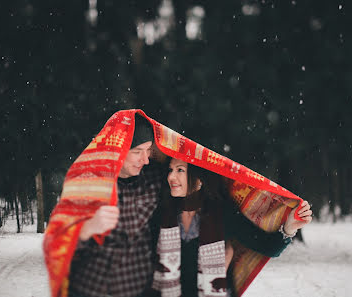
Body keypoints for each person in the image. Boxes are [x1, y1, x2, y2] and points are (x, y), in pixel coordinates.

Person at [152, 158, 313, 297]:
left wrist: (290, 226)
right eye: (170, 170)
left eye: (180, 170)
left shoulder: (222, 213)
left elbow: (268, 246)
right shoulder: (164, 213)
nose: (171, 176)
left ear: (200, 179)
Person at [68, 114, 164, 297]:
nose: (145, 160)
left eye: (148, 150)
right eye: (137, 152)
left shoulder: (155, 178)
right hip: (92, 288)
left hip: (140, 287)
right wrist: (86, 229)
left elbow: (197, 179)